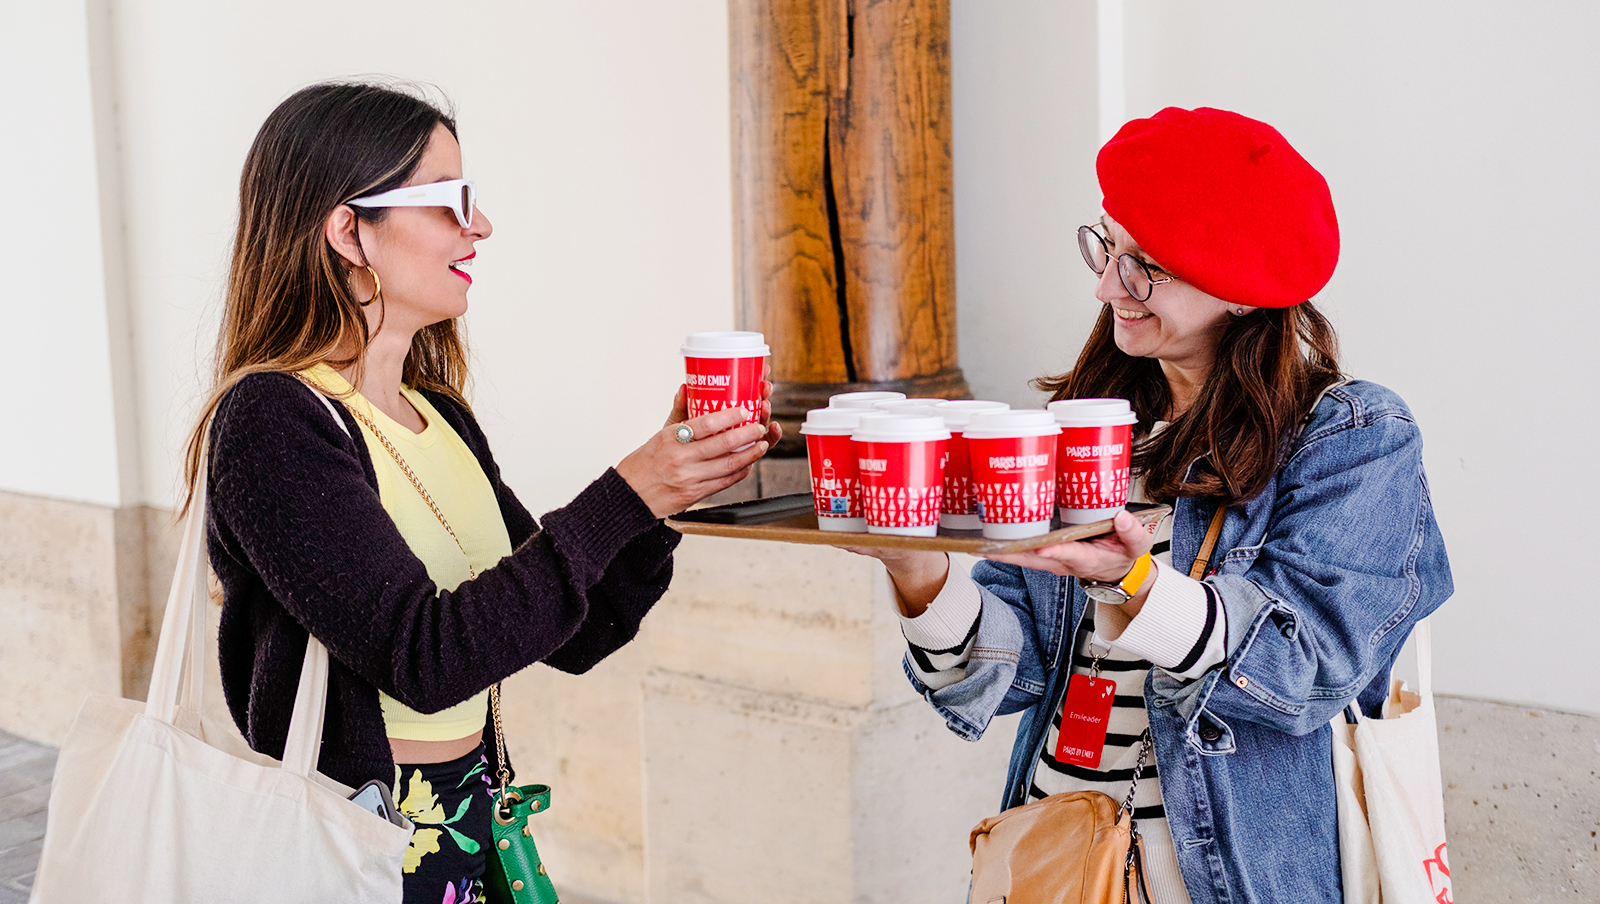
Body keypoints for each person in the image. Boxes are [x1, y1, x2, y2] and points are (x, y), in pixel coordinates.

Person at [180, 81, 780, 903]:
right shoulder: (274, 420)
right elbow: (425, 660)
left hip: (474, 821)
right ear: (349, 229)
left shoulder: (440, 416)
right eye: (452, 202)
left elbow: (581, 632)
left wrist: (669, 497)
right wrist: (629, 492)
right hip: (361, 840)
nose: (482, 226)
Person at [857, 107, 1452, 903]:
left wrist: (1136, 585)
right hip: (1056, 853)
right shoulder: (1083, 431)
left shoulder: (1351, 438)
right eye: (1106, 247)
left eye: (1145, 266)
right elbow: (1010, 677)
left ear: (1243, 292)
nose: (1108, 286)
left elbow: (1309, 666)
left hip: (1216, 877)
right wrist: (916, 569)